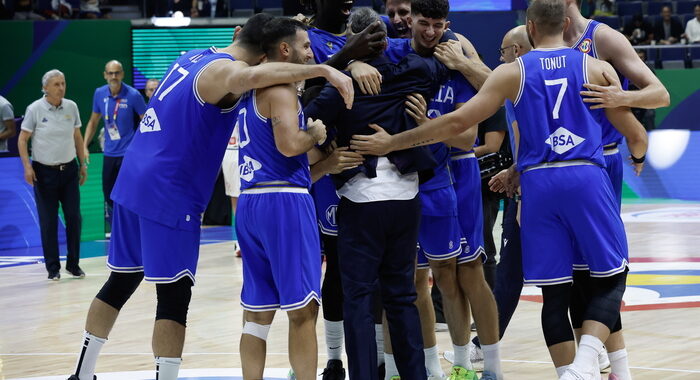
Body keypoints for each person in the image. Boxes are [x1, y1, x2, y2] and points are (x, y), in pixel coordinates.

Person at [349, 2, 648, 380]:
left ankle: (569, 373)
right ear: (568, 24)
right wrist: (637, 155)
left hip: (536, 183)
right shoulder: (595, 67)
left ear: (530, 27)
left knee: (553, 294)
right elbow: (637, 132)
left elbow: (458, 122)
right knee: (610, 278)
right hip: (585, 175)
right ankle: (587, 364)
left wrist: (393, 143)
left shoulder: (512, 72)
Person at [65, 13, 354, 380]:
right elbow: (248, 78)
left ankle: (82, 372)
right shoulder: (227, 71)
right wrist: (326, 72)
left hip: (134, 176)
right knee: (174, 297)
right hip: (170, 190)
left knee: (120, 281)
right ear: (270, 56)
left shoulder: (193, 55)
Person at [305, 7, 452, 380]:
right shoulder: (418, 72)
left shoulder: (341, 88)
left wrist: (345, 68)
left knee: (358, 299)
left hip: (362, 200)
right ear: (386, 39)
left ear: (351, 41)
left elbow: (308, 111)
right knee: (402, 296)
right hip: (406, 199)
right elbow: (436, 67)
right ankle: (416, 375)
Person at [565, 0, 668, 376]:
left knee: (605, 272)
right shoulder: (537, 40)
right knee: (574, 276)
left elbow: (660, 93)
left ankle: (611, 366)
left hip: (601, 161)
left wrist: (620, 97)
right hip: (555, 167)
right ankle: (594, 364)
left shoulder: (603, 38)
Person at [236, 18, 328, 380]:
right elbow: (290, 145)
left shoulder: (248, 91)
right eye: (305, 46)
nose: (311, 52)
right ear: (284, 50)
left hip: (250, 202)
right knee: (303, 310)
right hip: (284, 203)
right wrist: (315, 133)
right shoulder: (282, 91)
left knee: (257, 315)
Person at [17, 69, 88, 281]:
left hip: (69, 171)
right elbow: (22, 140)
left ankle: (73, 265)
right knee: (49, 222)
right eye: (56, 84)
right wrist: (27, 167)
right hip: (44, 172)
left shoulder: (71, 107)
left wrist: (82, 163)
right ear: (45, 88)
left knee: (74, 218)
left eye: (63, 83)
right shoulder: (35, 109)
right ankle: (53, 268)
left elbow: (77, 136)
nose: (61, 88)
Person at [82, 60, 147, 238]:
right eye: (110, 73)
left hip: (128, 153)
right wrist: (84, 146)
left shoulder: (133, 95)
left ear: (122, 74)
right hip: (109, 153)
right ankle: (118, 225)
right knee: (108, 192)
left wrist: (142, 146)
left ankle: (132, 226)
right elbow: (93, 121)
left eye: (117, 73)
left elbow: (146, 120)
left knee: (128, 191)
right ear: (105, 75)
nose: (113, 77)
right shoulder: (99, 93)